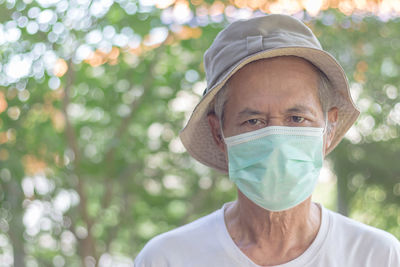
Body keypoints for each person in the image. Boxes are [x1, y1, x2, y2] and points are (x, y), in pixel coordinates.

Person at [134, 14, 400, 266]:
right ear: (219, 133)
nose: (277, 142)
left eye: (296, 118)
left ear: (328, 129)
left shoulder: (376, 256)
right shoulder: (167, 259)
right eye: (253, 121)